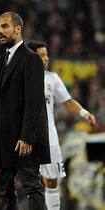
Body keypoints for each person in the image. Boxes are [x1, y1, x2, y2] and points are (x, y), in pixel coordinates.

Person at [0, 11, 50, 210]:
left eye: (4, 26)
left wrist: (27, 137)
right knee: (3, 187)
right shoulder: (0, 61)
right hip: (4, 137)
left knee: (32, 186)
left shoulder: (31, 59)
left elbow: (35, 102)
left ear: (18, 29)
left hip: (23, 139)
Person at [27, 40, 96, 210]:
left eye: (47, 54)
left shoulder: (52, 78)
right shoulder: (20, 80)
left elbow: (68, 101)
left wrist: (84, 113)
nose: (47, 58)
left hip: (48, 136)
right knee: (30, 183)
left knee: (51, 180)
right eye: (42, 55)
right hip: (25, 137)